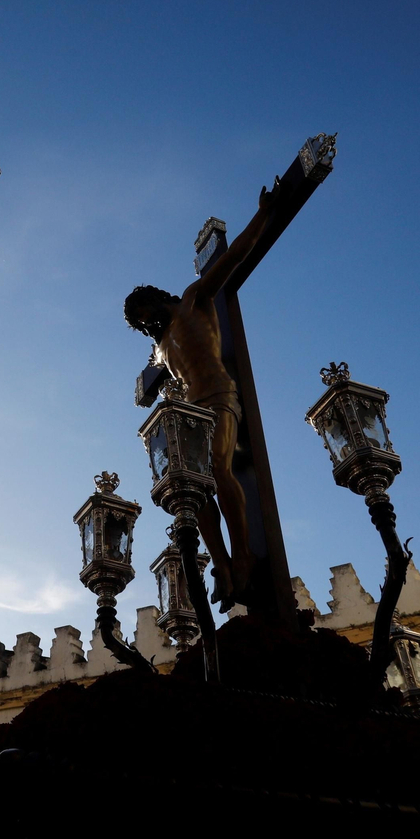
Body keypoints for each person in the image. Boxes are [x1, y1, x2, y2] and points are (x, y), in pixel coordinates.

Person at [124, 186, 278, 607]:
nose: (146, 320)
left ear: (159, 297)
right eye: (140, 320)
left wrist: (263, 215)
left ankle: (244, 553)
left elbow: (233, 258)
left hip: (218, 393)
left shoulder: (194, 301)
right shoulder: (160, 349)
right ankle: (223, 564)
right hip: (191, 412)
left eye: (147, 309)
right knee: (192, 491)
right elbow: (151, 381)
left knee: (216, 468)